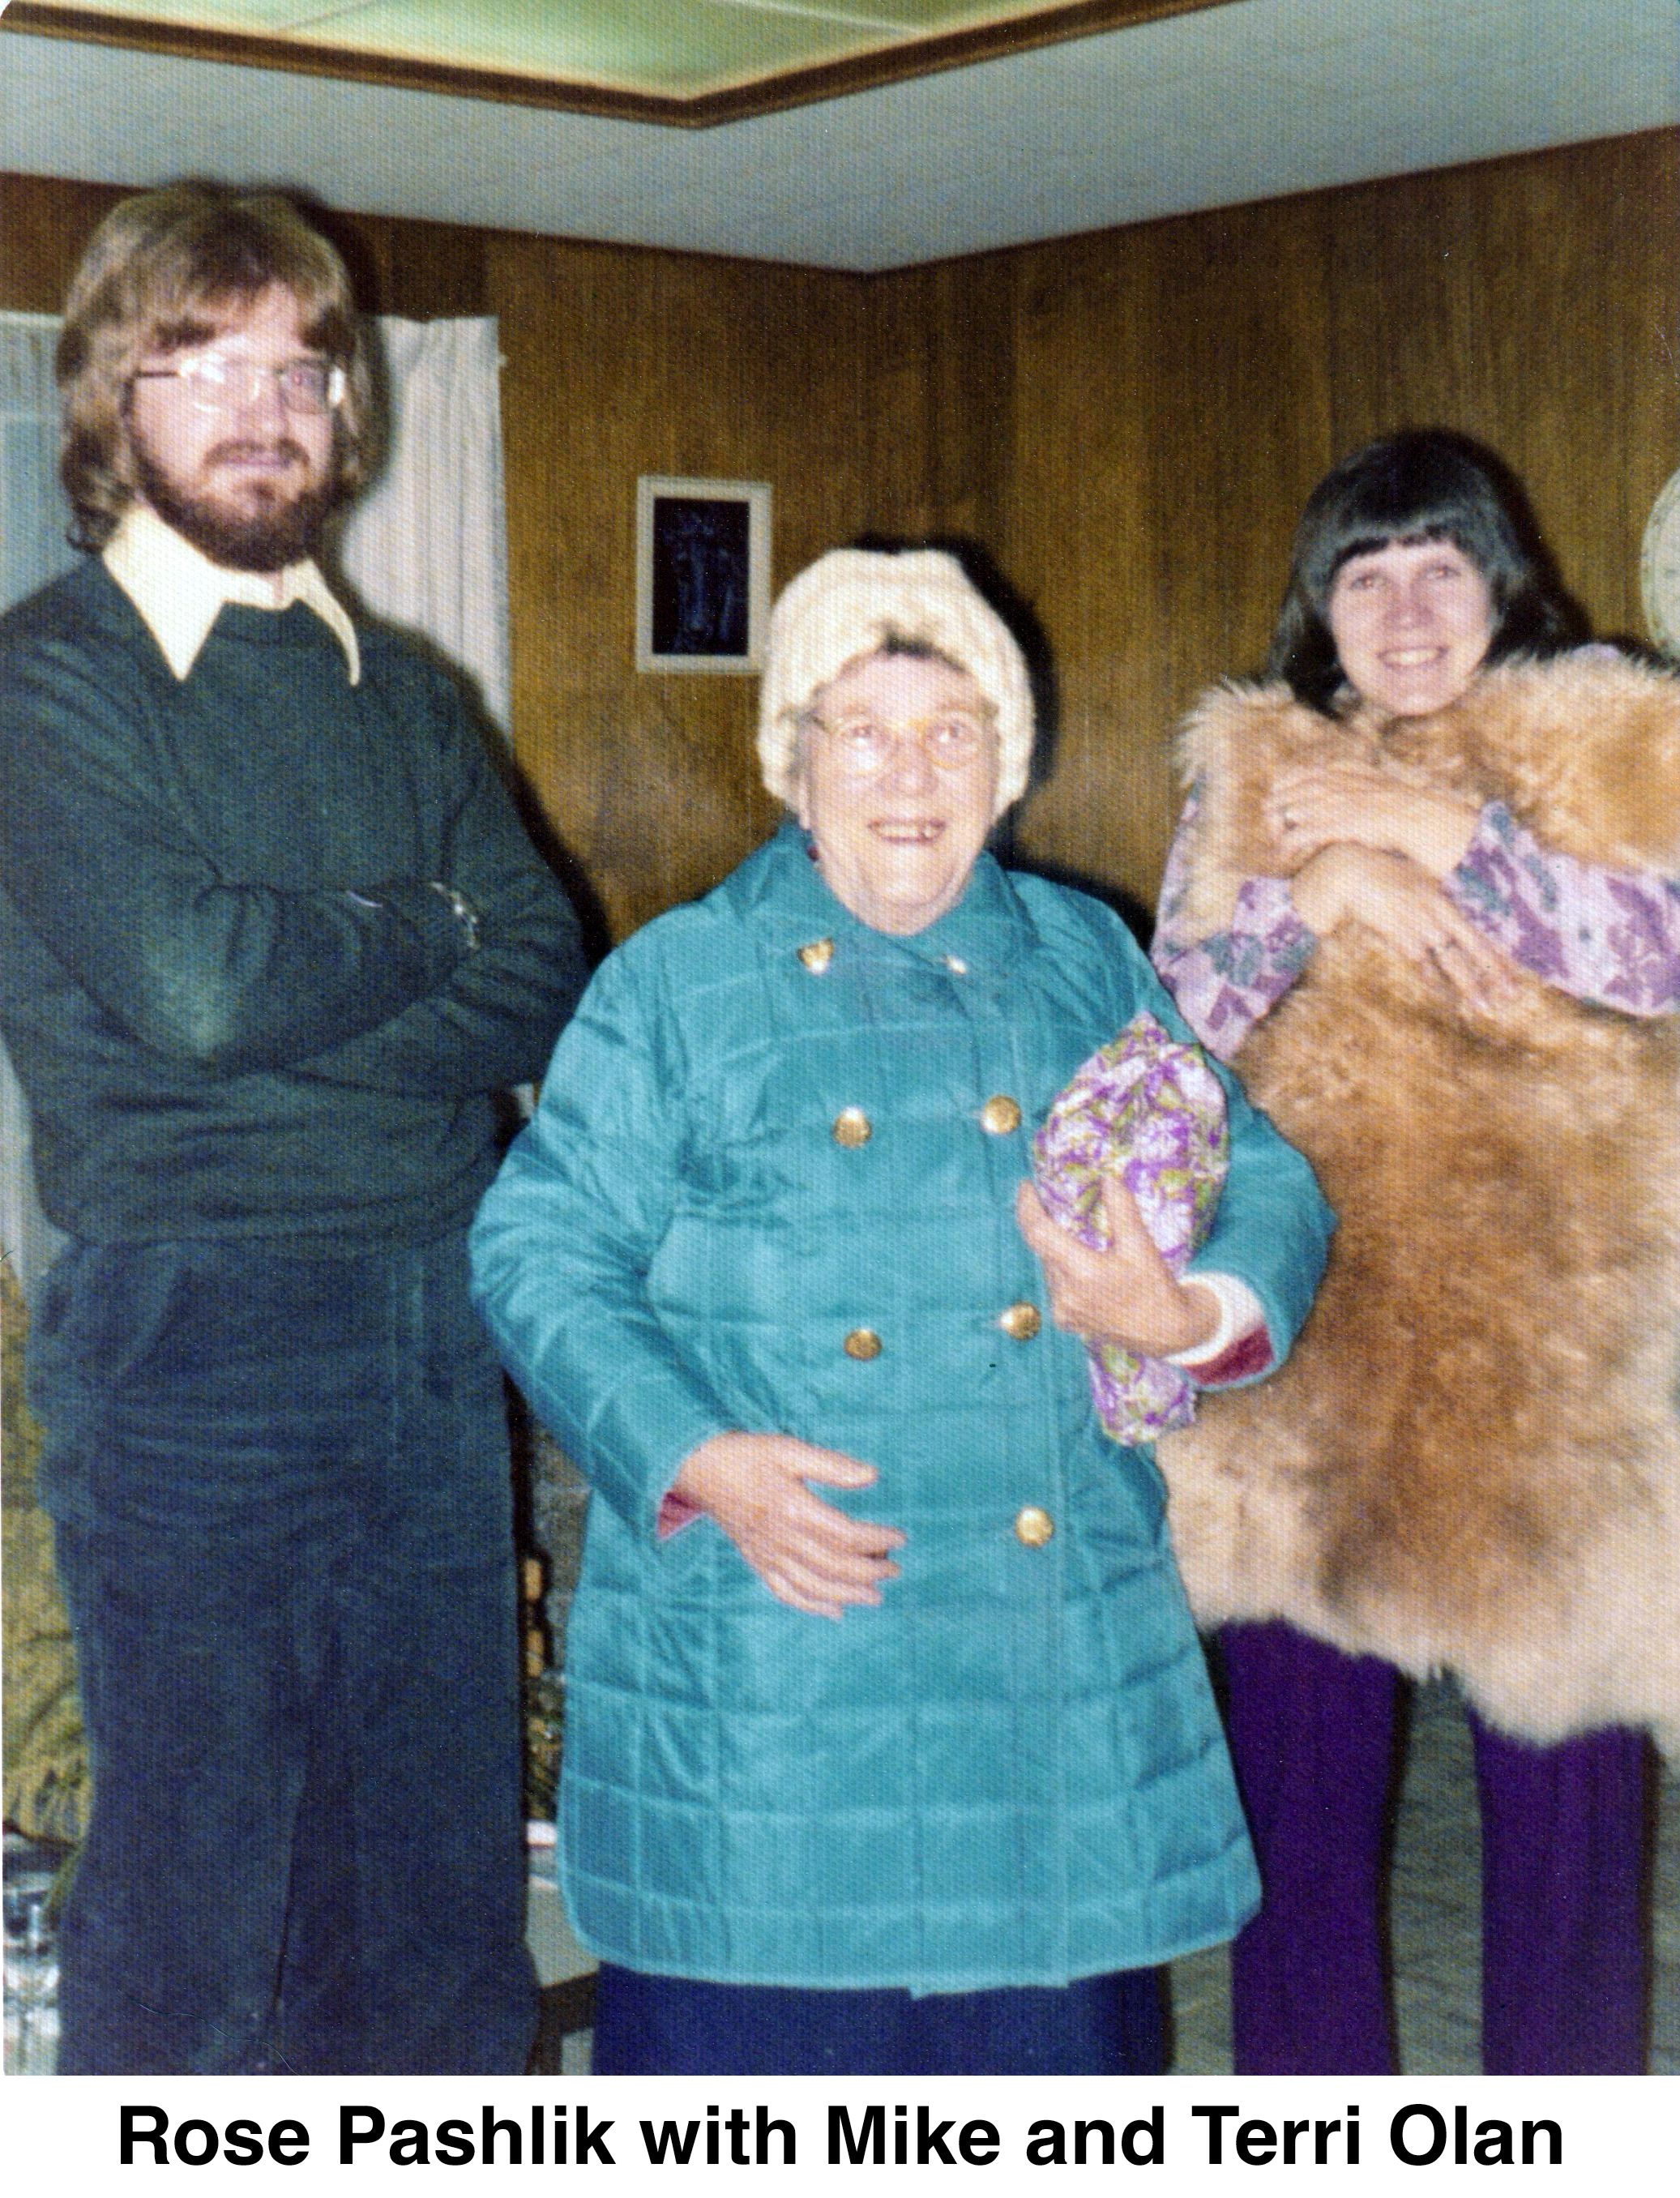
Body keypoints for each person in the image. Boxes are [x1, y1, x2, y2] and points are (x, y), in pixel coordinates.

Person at [468, 545, 1333, 2076]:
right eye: (859, 729)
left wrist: (1185, 1308)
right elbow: (537, 1250)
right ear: (788, 764)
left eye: (953, 730)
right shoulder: (675, 984)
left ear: (1009, 763)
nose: (909, 774)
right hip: (775, 1658)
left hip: (1039, 1676)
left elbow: (1264, 1183)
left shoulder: (1082, 959)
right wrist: (693, 1458)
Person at [0, 182, 588, 2074]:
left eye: (302, 367)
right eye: (206, 365)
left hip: (434, 1329)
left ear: (347, 410)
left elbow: (542, 982)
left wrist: (311, 986)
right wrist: (423, 934)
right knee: (196, 1901)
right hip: (193, 1339)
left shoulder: (404, 694)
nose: (265, 406)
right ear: (113, 400)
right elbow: (194, 992)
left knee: (428, 1889)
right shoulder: (49, 682)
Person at [1151, 428, 1680, 2075]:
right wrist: (1318, 882)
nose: (1399, 608)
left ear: (1498, 579)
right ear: (1316, 604)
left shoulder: (1619, 734)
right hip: (1307, 1360)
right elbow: (1168, 1036)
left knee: (1567, 1846)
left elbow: (1657, 956)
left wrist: (1435, 836)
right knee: (1291, 1845)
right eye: (1360, 574)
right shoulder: (1247, 772)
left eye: (1435, 565)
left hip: (1556, 1363)